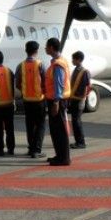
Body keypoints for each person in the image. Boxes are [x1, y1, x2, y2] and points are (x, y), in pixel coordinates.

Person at [15, 41, 47, 158]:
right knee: (40, 125)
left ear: (26, 50)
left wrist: (24, 91)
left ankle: (31, 148)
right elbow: (45, 81)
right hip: (39, 100)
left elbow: (17, 83)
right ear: (37, 51)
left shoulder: (21, 65)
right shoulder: (40, 64)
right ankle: (36, 150)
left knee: (29, 125)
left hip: (27, 100)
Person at [44, 38, 72, 166]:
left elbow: (59, 84)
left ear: (51, 47)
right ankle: (59, 155)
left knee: (60, 130)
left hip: (57, 101)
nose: (45, 49)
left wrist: (56, 102)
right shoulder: (58, 62)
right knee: (55, 130)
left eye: (47, 47)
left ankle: (64, 158)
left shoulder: (58, 64)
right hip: (55, 100)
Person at [69, 50, 91, 149]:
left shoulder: (84, 72)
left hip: (79, 100)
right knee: (74, 121)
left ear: (78, 60)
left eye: (73, 59)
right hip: (73, 98)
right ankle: (77, 141)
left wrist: (83, 98)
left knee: (77, 121)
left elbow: (88, 86)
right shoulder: (75, 70)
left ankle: (81, 142)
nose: (72, 61)